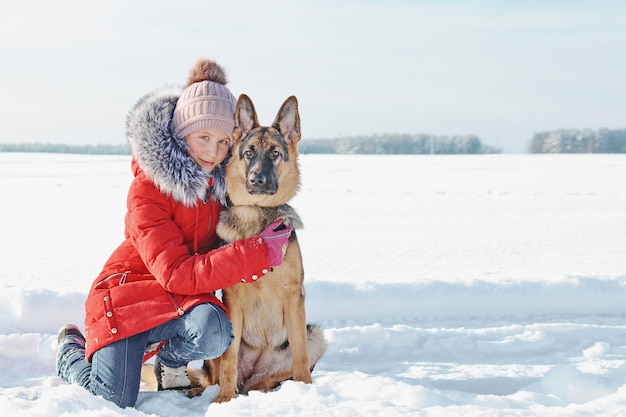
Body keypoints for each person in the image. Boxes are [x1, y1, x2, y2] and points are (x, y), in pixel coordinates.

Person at [55, 57, 292, 409]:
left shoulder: (218, 189)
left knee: (215, 329)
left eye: (225, 141)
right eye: (204, 137)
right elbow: (175, 271)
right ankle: (69, 355)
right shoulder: (147, 190)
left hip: (178, 302)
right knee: (114, 399)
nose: (214, 151)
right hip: (126, 302)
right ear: (182, 133)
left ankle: (169, 362)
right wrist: (256, 253)